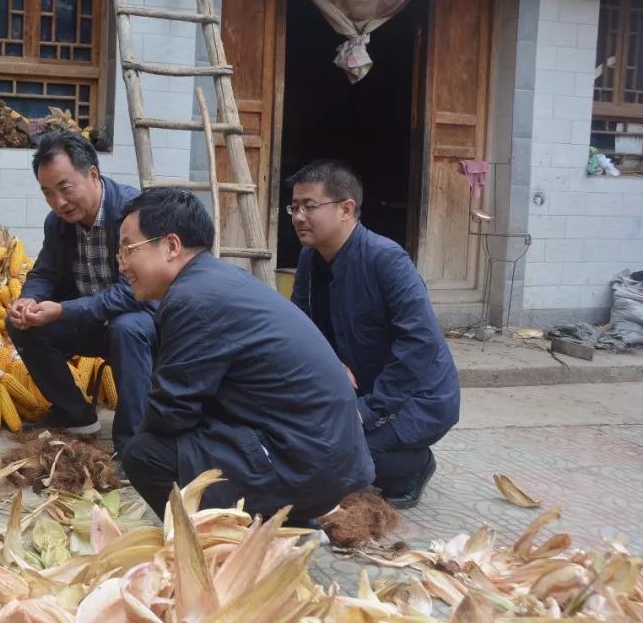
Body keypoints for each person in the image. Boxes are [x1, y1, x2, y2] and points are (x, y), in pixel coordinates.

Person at [117, 188, 374, 521]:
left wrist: (140, 435)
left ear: (170, 246)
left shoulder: (191, 299)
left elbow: (171, 411)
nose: (121, 264)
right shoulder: (217, 279)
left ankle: (219, 545)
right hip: (324, 459)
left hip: (306, 464)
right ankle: (291, 519)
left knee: (145, 455)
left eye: (127, 249)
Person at [288, 160, 460, 509]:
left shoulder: (386, 259)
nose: (298, 216)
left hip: (417, 399)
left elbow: (420, 343)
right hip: (360, 388)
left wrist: (367, 411)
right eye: (294, 207)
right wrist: (332, 364)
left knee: (337, 462)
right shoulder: (309, 260)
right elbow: (300, 329)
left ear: (346, 209)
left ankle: (413, 464)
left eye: (310, 206)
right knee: (295, 442)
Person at [7, 130, 156, 455]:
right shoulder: (57, 223)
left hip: (143, 324)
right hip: (90, 322)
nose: (58, 202)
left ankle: (133, 447)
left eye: (65, 188)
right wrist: (29, 299)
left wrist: (62, 310)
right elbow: (45, 271)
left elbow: (135, 292)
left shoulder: (134, 215)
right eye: (47, 192)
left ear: (93, 174)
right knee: (22, 323)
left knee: (126, 327)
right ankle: (75, 414)